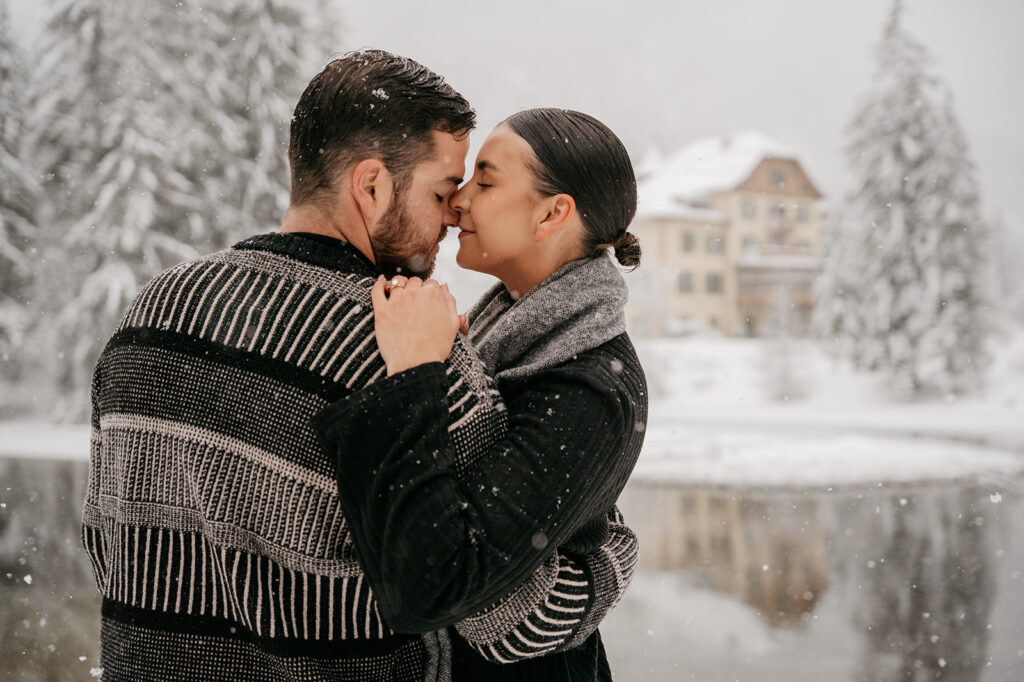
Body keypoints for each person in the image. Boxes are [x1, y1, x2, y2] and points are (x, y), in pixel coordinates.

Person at [81, 51, 636, 682]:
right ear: (371, 186)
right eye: (441, 189)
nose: (453, 211)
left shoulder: (152, 311)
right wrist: (607, 547)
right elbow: (509, 615)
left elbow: (105, 543)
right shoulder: (401, 349)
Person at [313, 108, 647, 681]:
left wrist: (417, 374)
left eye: (485, 182)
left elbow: (445, 580)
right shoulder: (504, 341)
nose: (457, 200)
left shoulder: (593, 386)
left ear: (552, 213)